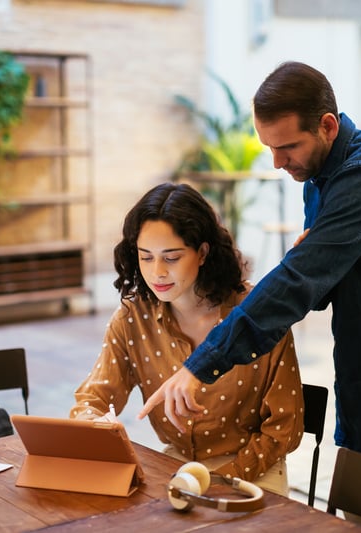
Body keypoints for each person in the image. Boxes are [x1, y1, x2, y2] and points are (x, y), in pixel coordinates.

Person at [139, 61, 361, 485]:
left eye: (287, 146)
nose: (277, 162)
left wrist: (203, 363)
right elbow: (319, 286)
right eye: (269, 147)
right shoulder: (318, 178)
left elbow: (297, 283)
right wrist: (316, 261)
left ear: (327, 126)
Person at [70, 182, 304, 497]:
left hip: (254, 469)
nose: (157, 272)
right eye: (146, 257)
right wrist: (94, 425)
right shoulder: (132, 317)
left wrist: (219, 481)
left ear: (203, 252)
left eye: (172, 257)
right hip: (177, 467)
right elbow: (94, 399)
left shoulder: (258, 314)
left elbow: (284, 429)